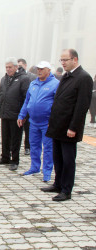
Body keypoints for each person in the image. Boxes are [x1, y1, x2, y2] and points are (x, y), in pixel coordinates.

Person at [41, 49, 93, 201]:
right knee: (57, 157)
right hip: (58, 125)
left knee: (68, 159)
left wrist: (73, 127)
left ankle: (66, 190)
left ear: (75, 59)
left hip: (69, 127)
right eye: (61, 60)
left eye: (65, 60)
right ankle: (58, 183)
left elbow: (82, 106)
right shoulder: (66, 75)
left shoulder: (83, 78)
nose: (63, 63)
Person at [17, 61, 59, 182]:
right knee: (34, 146)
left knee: (48, 148)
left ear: (48, 70)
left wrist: (54, 120)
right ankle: (34, 167)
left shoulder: (55, 84)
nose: (39, 71)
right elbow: (27, 101)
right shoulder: (33, 84)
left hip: (47, 123)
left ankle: (47, 172)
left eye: (42, 69)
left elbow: (58, 104)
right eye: (38, 69)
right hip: (33, 122)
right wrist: (22, 115)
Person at [0, 57, 30, 171]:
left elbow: (26, 98)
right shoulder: (4, 79)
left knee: (15, 139)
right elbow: (0, 95)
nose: (8, 69)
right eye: (6, 67)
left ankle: (14, 160)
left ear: (16, 67)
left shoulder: (23, 79)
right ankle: (5, 157)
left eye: (10, 67)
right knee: (5, 137)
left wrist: (23, 115)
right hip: (5, 113)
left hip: (16, 114)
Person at [18, 58, 37, 156]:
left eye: (21, 65)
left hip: (29, 106)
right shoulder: (15, 76)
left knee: (28, 128)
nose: (19, 67)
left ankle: (27, 147)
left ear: (25, 65)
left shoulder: (32, 76)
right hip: (18, 106)